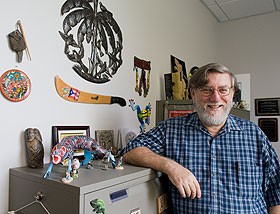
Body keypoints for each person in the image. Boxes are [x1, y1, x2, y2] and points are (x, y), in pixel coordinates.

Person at [122, 63, 280, 213]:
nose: (216, 98)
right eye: (207, 90)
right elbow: (130, 151)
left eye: (223, 90)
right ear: (193, 93)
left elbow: (276, 193)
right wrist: (171, 167)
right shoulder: (170, 129)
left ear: (232, 94)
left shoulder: (255, 135)